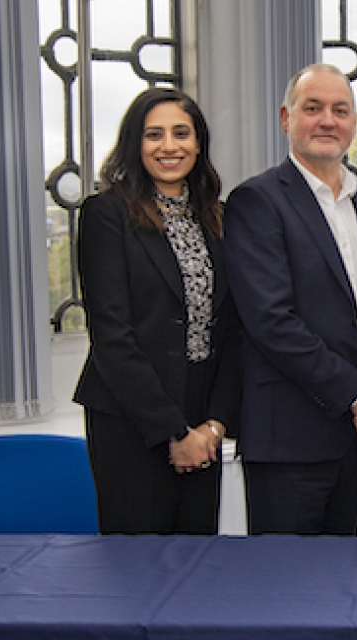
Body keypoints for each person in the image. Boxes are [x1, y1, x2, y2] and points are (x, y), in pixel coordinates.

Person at [224, 63, 357, 536]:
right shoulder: (256, 201)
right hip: (289, 438)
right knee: (288, 592)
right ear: (287, 118)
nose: (328, 120)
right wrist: (355, 392)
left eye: (340, 110)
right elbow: (270, 320)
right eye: (313, 109)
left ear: (353, 123)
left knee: (343, 584)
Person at [75, 88, 240, 534]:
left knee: (196, 562)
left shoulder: (218, 218)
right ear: (134, 144)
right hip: (131, 418)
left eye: (181, 133)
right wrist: (173, 432)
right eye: (154, 135)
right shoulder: (106, 214)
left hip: (202, 419)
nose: (170, 146)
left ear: (199, 143)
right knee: (139, 569)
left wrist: (213, 425)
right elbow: (112, 335)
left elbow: (232, 330)